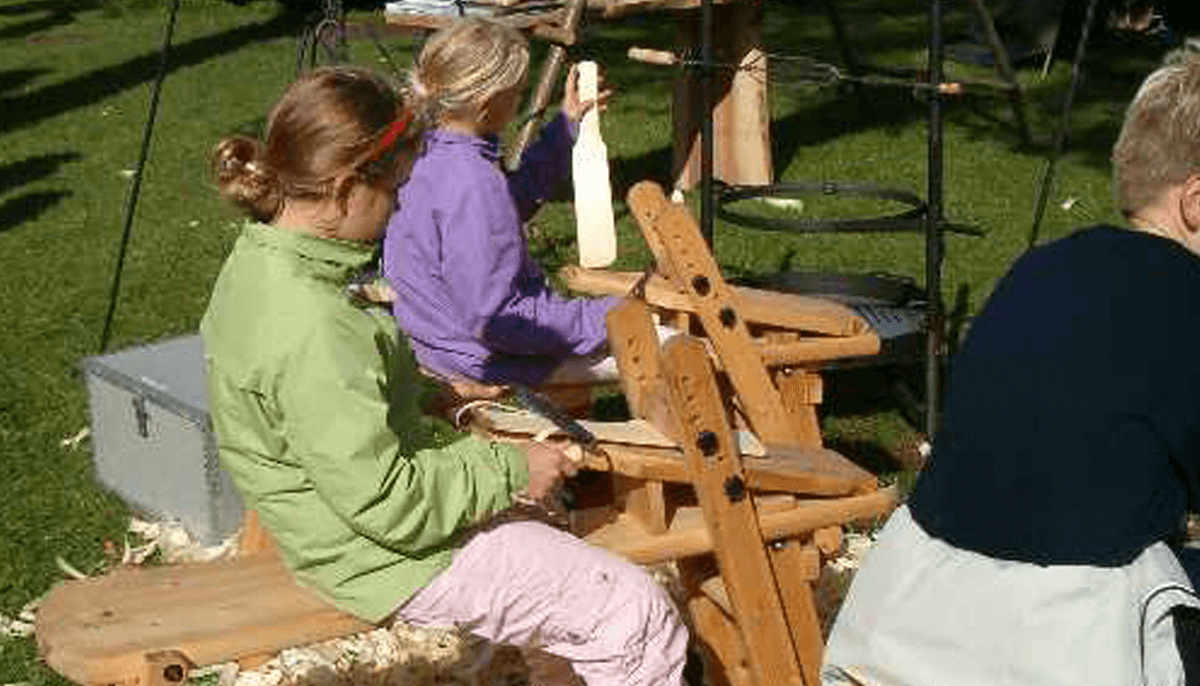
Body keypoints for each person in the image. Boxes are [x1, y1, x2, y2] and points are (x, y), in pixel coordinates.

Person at [201, 65, 688, 686]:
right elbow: (385, 500)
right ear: (349, 188)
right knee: (630, 611)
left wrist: (428, 393)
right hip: (371, 552)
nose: (402, 203)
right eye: (397, 189)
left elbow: (325, 408)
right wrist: (514, 466)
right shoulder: (311, 323)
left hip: (338, 523)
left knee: (558, 551)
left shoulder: (266, 262)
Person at [821, 56, 1200, 686]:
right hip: (1064, 638)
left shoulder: (1042, 269)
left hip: (911, 616)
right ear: (1195, 199)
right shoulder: (1185, 297)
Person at [382, 18, 622, 391]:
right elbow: (498, 320)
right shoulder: (473, 182)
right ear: (487, 105)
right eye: (518, 92)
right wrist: (607, 315)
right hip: (478, 359)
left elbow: (502, 210)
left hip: (431, 341)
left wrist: (565, 128)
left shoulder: (425, 154)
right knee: (668, 343)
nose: (520, 100)